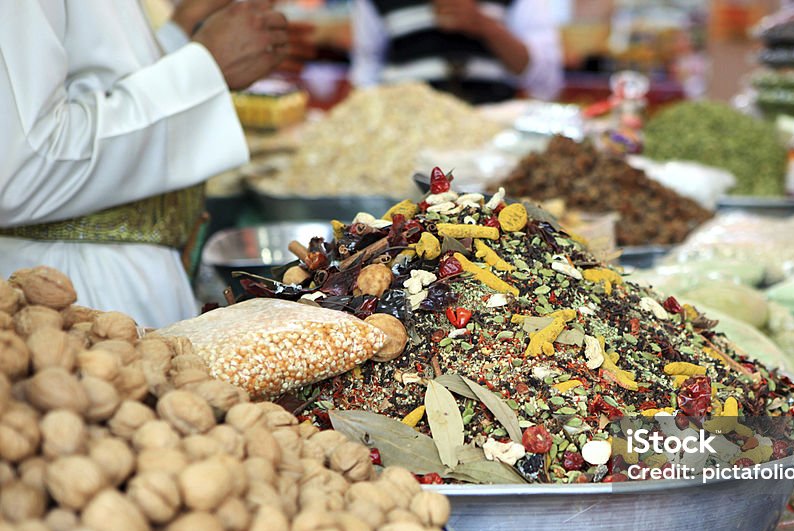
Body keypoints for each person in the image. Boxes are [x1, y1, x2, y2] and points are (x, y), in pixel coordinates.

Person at [0, 0, 290, 328]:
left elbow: (96, 81)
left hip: (119, 282)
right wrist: (203, 69)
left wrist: (179, 38)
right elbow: (22, 166)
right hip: (73, 294)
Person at [350, 0, 563, 104]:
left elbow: (546, 82)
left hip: (490, 133)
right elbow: (366, 74)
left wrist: (483, 25)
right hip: (404, 128)